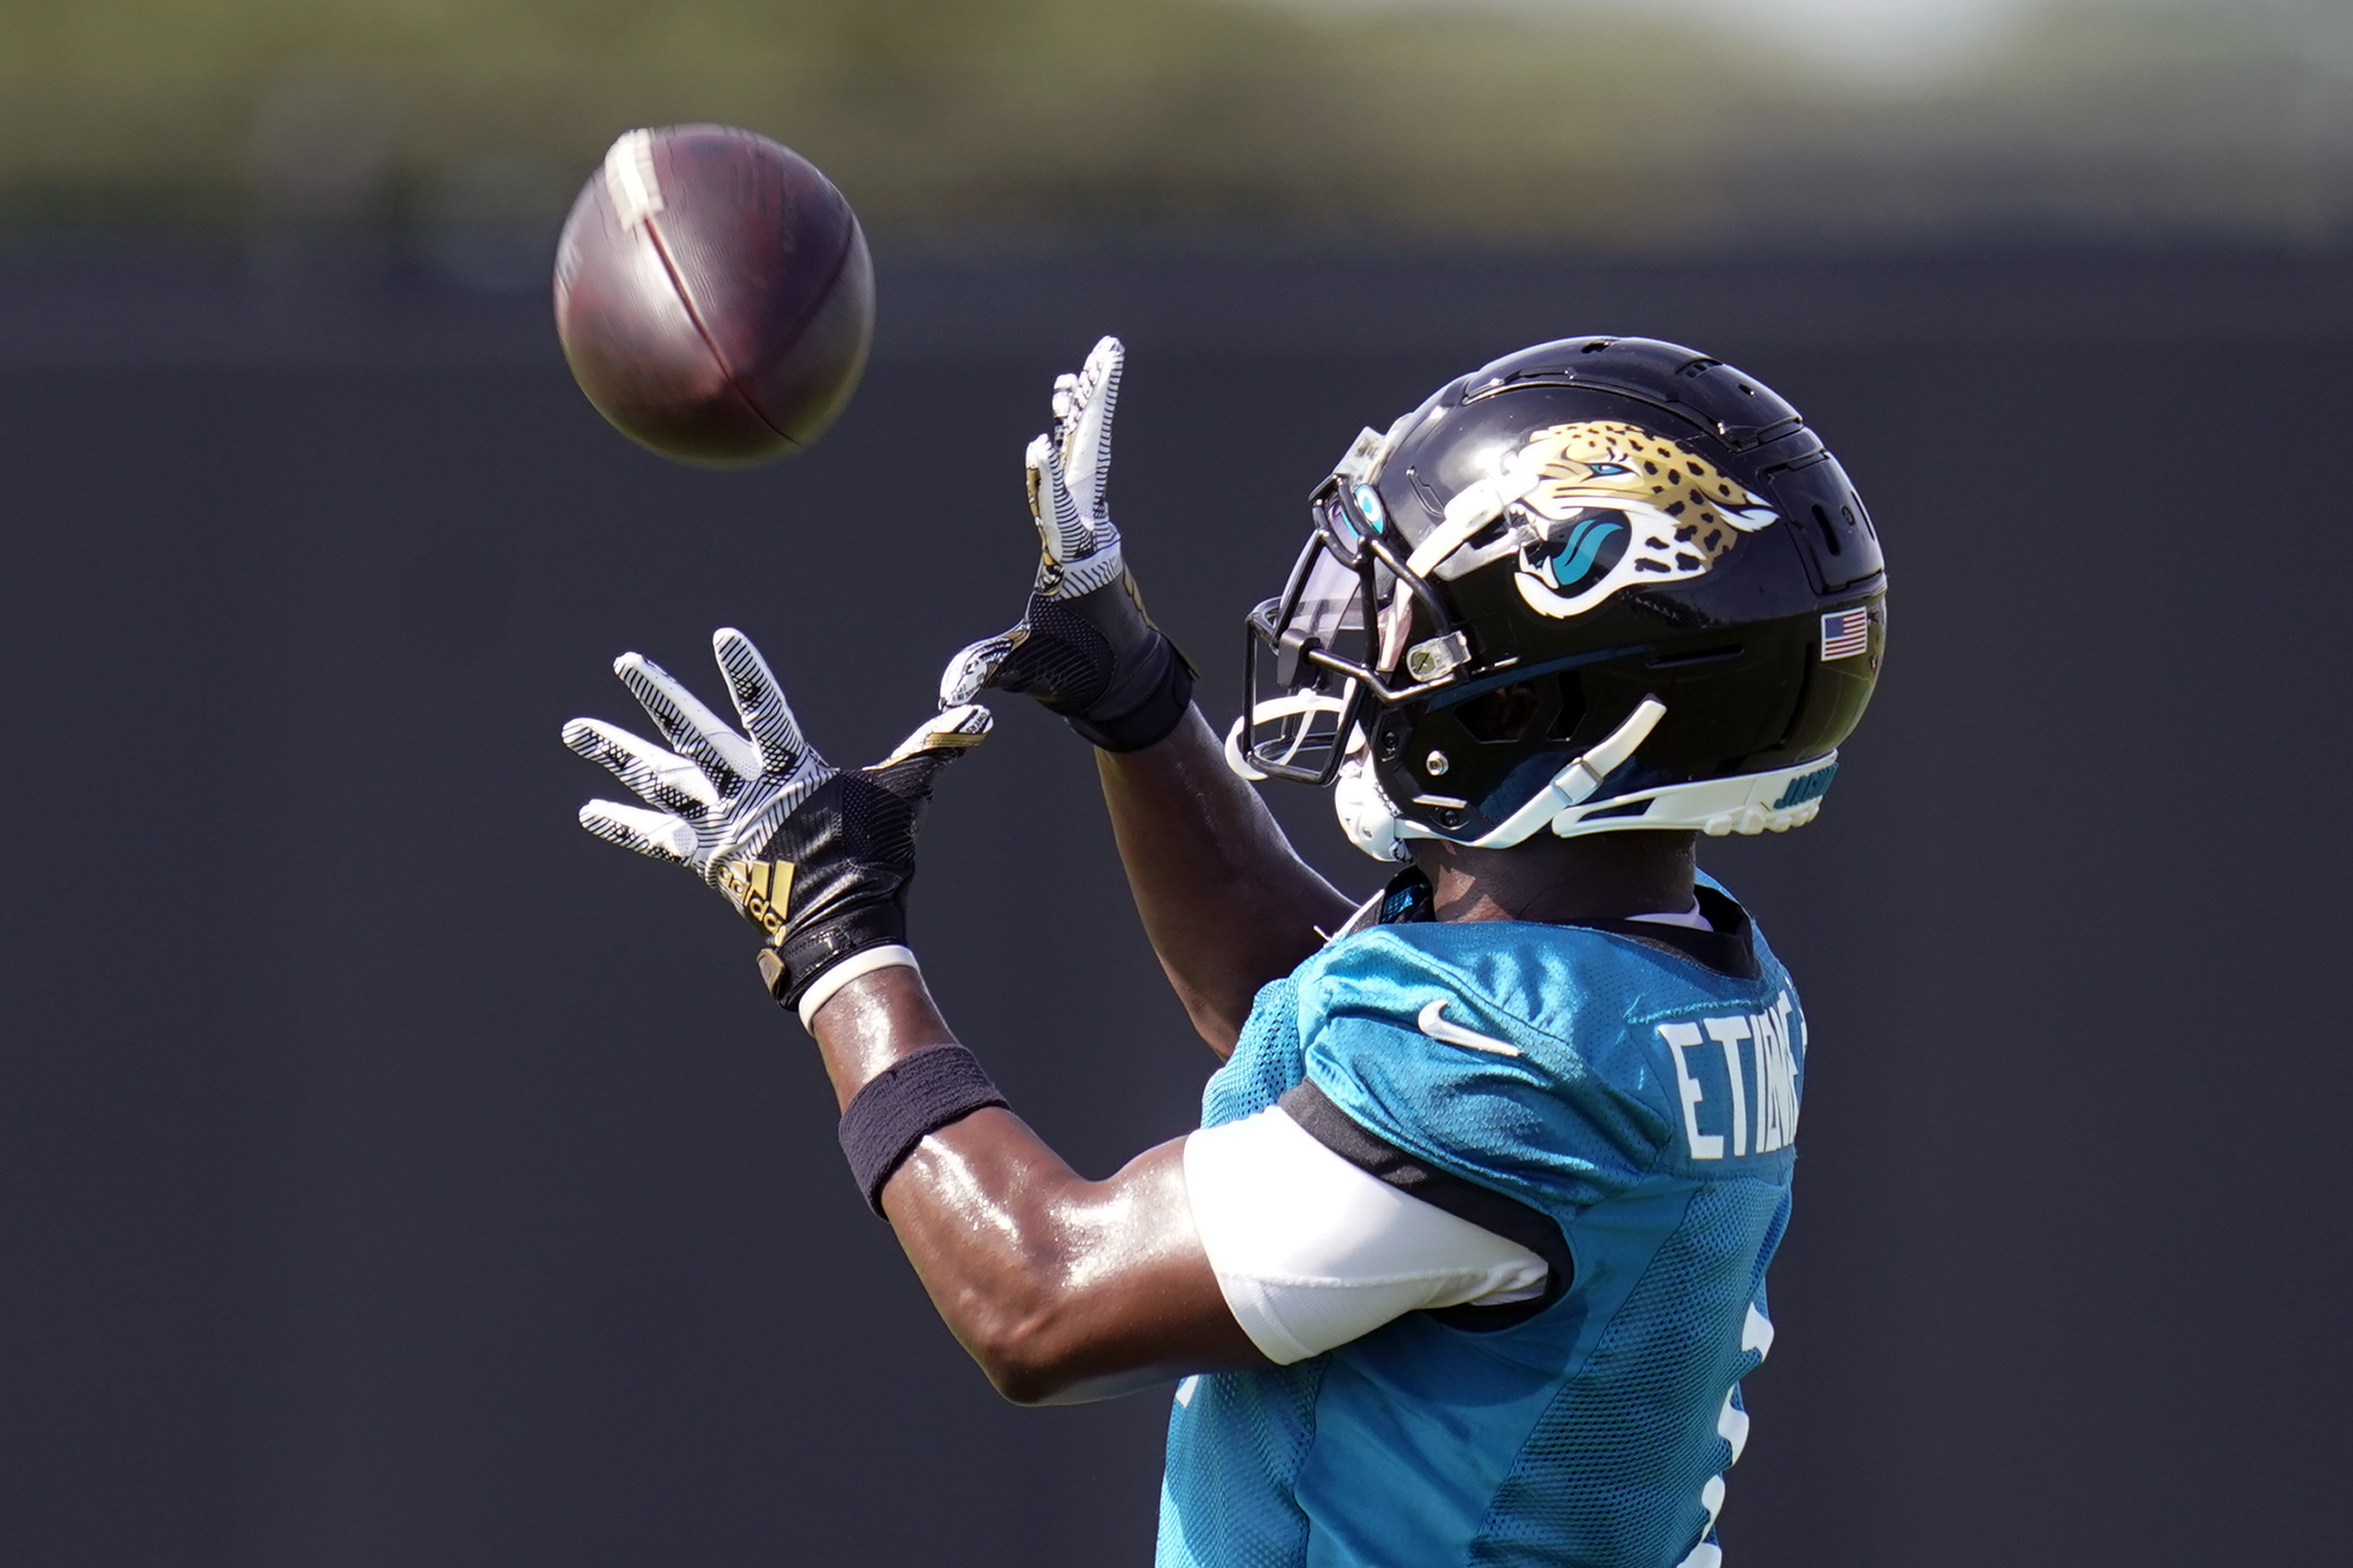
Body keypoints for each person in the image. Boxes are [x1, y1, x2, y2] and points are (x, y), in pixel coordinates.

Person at [561, 333, 1887, 1567]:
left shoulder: (1516, 1074)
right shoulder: (1652, 976)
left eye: (1408, 616)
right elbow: (1291, 995)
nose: (1362, 640)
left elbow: (1040, 1298)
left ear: (1536, 699)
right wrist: (1130, 694)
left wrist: (836, 941)